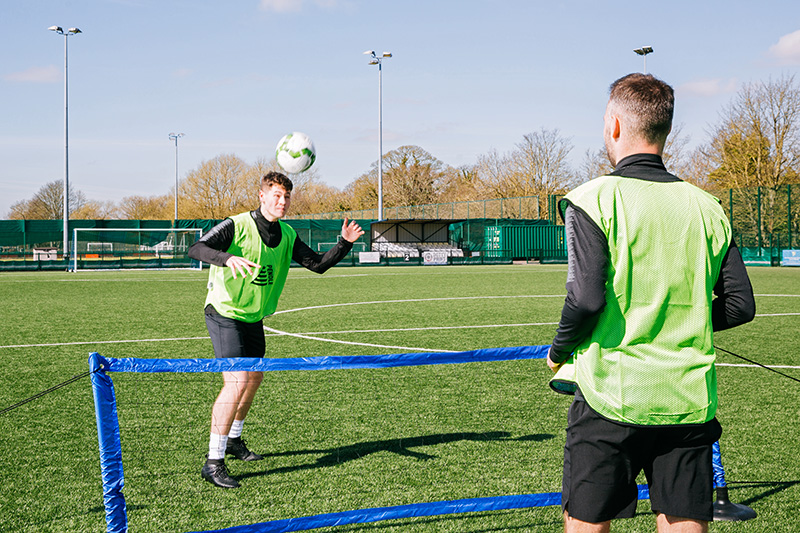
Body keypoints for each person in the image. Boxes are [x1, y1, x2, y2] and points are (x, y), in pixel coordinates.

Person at [547, 73, 756, 532]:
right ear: (665, 129)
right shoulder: (708, 207)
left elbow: (584, 300)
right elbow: (740, 305)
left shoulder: (591, 199)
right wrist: (686, 322)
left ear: (614, 125)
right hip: (687, 398)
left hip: (609, 396)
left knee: (587, 523)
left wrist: (559, 350)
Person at [188, 171, 364, 489]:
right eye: (276, 195)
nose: (282, 202)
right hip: (225, 312)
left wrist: (344, 244)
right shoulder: (236, 224)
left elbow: (317, 264)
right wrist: (226, 259)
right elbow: (197, 249)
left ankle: (234, 440)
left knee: (255, 377)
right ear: (262, 195)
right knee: (237, 380)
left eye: (286, 197)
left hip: (253, 316)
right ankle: (213, 462)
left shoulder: (286, 233)